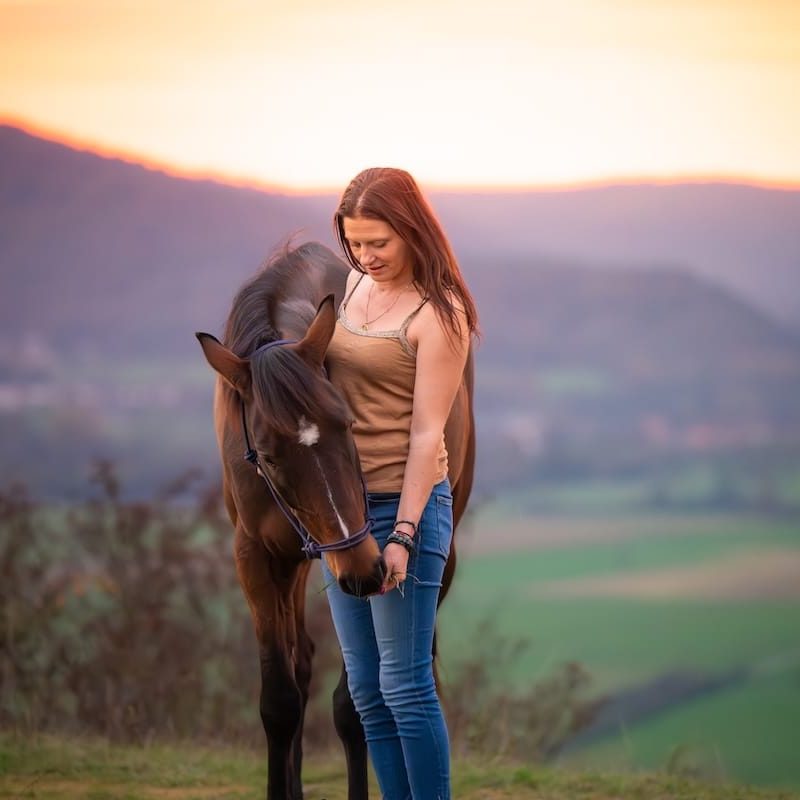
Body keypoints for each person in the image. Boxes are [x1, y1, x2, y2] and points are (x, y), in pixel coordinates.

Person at [322, 167, 479, 800]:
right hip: (345, 513)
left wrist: (405, 535)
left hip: (403, 508)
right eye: (355, 242)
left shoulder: (440, 314)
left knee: (406, 686)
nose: (365, 256)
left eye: (379, 242)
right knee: (365, 688)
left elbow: (425, 435)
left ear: (412, 230)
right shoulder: (355, 284)